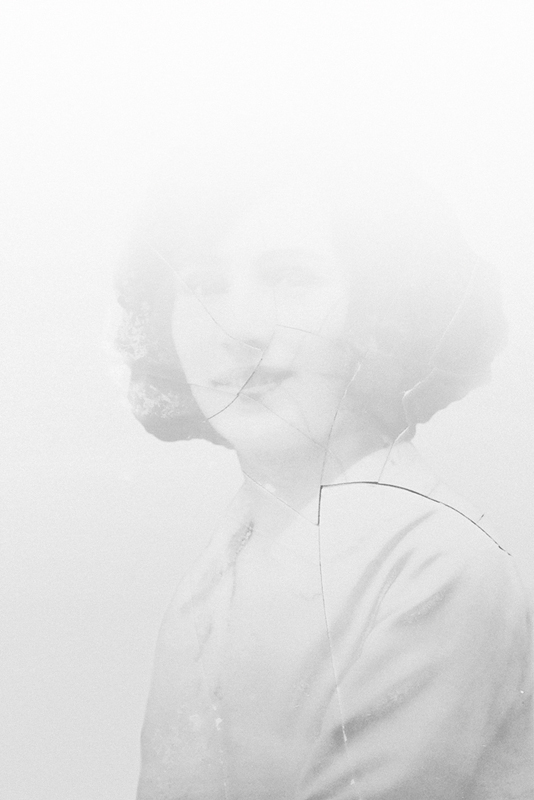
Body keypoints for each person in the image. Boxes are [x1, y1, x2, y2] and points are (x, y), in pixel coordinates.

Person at [114, 161, 533, 799]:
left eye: (290, 277)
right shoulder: (215, 574)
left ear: (380, 309)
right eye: (204, 285)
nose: (239, 327)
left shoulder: (438, 567)